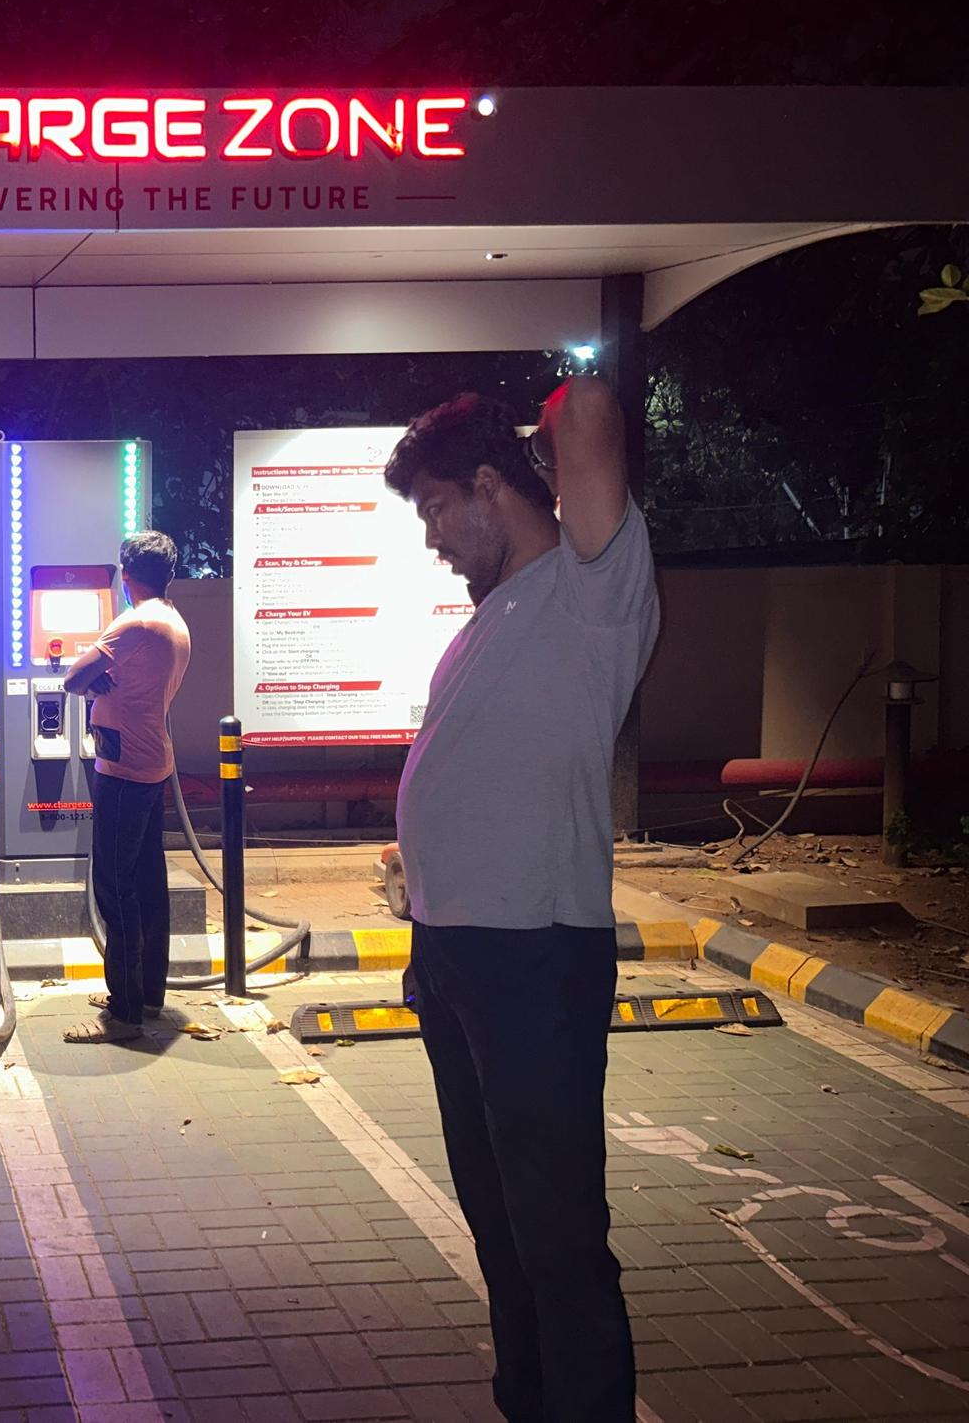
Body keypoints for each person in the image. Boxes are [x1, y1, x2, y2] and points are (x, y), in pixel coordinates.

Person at [383, 378, 659, 1422]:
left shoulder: (594, 589)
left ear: (492, 485)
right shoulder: (494, 615)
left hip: (533, 956)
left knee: (555, 1232)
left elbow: (584, 406)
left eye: (435, 508)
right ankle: (528, 1402)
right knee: (497, 1224)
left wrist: (524, 437)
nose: (431, 539)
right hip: (458, 954)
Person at [58, 529, 193, 1044]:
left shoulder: (136, 623)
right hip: (151, 761)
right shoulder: (174, 621)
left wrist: (91, 681)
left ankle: (125, 1012)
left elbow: (73, 678)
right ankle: (148, 993)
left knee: (115, 888)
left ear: (126, 574)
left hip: (123, 771)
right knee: (148, 882)